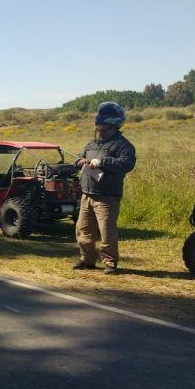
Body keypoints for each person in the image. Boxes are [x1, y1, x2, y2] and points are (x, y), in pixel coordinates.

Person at [73, 102, 136, 275]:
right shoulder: (91, 144)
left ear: (114, 126)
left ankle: (110, 263)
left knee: (107, 232)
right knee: (83, 229)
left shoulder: (123, 145)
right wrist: (81, 162)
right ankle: (87, 259)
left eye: (104, 128)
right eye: (99, 127)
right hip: (87, 194)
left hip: (107, 197)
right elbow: (79, 157)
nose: (100, 131)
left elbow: (127, 163)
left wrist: (103, 162)